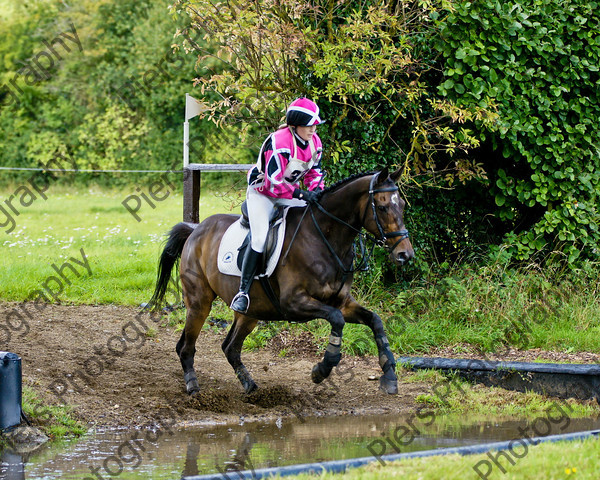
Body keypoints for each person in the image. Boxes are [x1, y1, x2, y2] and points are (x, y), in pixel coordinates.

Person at [230, 97, 325, 314]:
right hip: (262, 193)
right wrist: (302, 193)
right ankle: (243, 292)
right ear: (295, 125)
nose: (313, 129)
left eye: (315, 124)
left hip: (288, 192)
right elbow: (273, 182)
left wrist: (317, 190)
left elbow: (313, 172)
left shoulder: (315, 142)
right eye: (309, 125)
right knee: (261, 236)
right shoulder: (279, 141)